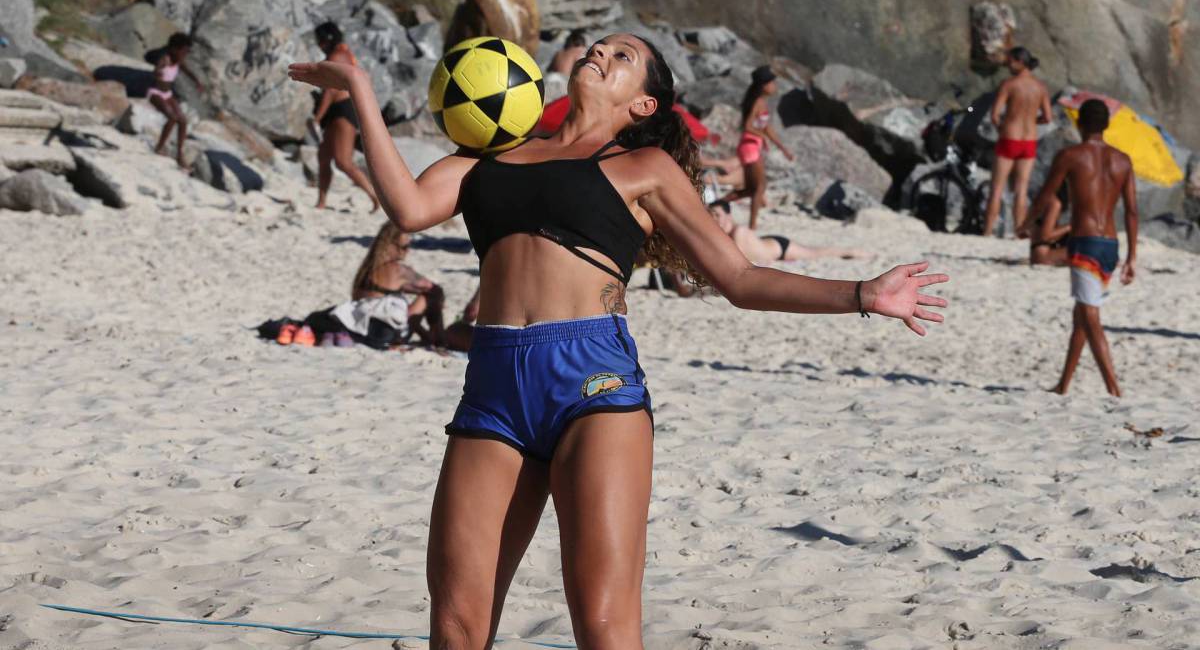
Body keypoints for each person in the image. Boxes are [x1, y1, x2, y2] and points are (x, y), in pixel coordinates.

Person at [288, 33, 949, 648]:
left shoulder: (644, 166)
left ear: (643, 103)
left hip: (593, 387)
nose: (602, 50)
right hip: (493, 388)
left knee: (603, 628)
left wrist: (862, 293)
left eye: (624, 56)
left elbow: (739, 278)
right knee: (457, 625)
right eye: (603, 44)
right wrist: (359, 91)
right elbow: (406, 207)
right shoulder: (488, 153)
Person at [1019, 99, 1136, 397]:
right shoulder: (1123, 160)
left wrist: (1026, 225)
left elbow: (1046, 195)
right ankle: (1063, 385)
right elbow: (1132, 212)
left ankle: (1114, 388)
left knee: (1090, 315)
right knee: (1081, 316)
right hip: (1111, 244)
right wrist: (1132, 256)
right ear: (1106, 125)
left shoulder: (1070, 155)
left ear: (1079, 124)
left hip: (1085, 242)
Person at [983, 46, 1053, 237]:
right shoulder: (1041, 87)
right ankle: (1019, 231)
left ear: (1020, 62)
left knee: (997, 188)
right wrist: (1032, 120)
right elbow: (1047, 117)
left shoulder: (1009, 84)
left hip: (1009, 138)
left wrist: (1001, 127)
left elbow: (995, 114)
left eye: (1010, 62)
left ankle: (988, 231)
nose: (1008, 65)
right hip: (1029, 141)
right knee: (1021, 190)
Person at [311, 22, 379, 211]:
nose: (318, 44)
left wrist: (317, 118)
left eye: (320, 40)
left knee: (343, 161)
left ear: (327, 39)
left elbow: (330, 91)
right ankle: (321, 202)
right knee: (324, 156)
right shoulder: (341, 54)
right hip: (337, 110)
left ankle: (374, 196)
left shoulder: (337, 56)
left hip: (343, 110)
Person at [352, 221, 452, 346]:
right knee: (432, 294)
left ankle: (428, 335)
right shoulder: (398, 270)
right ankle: (439, 338)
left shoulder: (366, 270)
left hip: (362, 328)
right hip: (390, 333)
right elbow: (431, 287)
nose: (407, 251)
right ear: (390, 245)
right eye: (404, 247)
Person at [720, 66, 796, 229]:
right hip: (749, 147)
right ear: (764, 85)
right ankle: (752, 227)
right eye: (772, 83)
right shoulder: (757, 102)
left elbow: (767, 128)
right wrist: (761, 136)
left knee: (750, 189)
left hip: (752, 146)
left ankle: (717, 204)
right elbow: (747, 126)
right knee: (759, 188)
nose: (775, 86)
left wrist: (783, 149)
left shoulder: (762, 102)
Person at [708, 201, 868, 264]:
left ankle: (852, 251)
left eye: (717, 215)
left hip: (778, 247)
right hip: (767, 243)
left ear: (728, 215)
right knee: (812, 251)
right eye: (712, 215)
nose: (714, 219)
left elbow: (736, 260)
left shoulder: (739, 232)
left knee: (815, 253)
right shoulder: (726, 234)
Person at [148, 33, 205, 170]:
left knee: (183, 121)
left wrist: (197, 81)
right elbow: (156, 70)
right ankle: (159, 147)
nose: (185, 54)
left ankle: (179, 154)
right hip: (156, 93)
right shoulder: (165, 59)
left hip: (167, 94)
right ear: (174, 49)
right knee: (172, 118)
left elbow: (186, 70)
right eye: (184, 51)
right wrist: (158, 73)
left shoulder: (178, 61)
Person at [1028, 188, 1071, 266]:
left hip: (1041, 253)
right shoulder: (1055, 203)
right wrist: (1070, 226)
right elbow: (1045, 236)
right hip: (1043, 256)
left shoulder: (1048, 199)